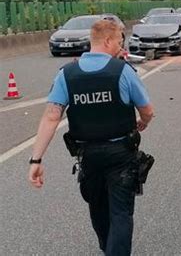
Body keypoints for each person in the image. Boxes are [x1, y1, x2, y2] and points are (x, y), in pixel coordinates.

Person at [28, 19, 155, 256]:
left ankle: (108, 248)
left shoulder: (67, 75)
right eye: (119, 40)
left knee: (98, 209)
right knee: (120, 213)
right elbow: (147, 110)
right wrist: (143, 122)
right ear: (107, 40)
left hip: (88, 156)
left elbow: (51, 117)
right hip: (121, 154)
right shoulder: (123, 71)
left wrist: (36, 160)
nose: (121, 46)